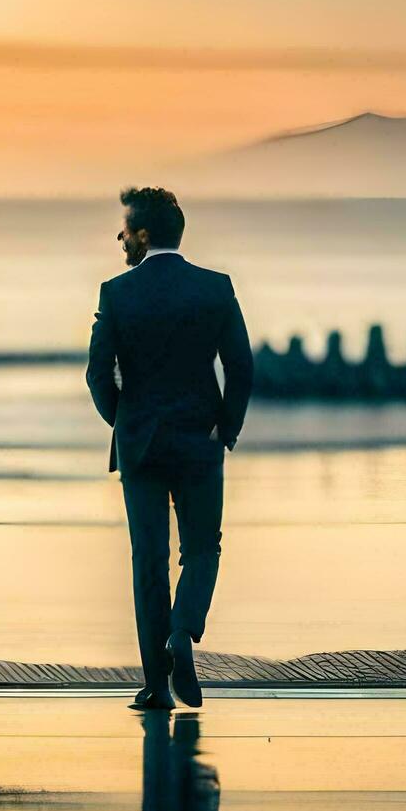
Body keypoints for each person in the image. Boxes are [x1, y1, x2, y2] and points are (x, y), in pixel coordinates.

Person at [86, 187, 253, 710]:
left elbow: (96, 375)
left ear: (142, 235)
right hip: (200, 439)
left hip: (141, 444)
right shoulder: (215, 288)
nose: (119, 237)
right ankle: (183, 632)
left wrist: (125, 419)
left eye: (124, 229)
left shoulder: (116, 293)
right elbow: (242, 369)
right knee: (204, 548)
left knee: (149, 562)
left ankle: (157, 685)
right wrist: (223, 429)